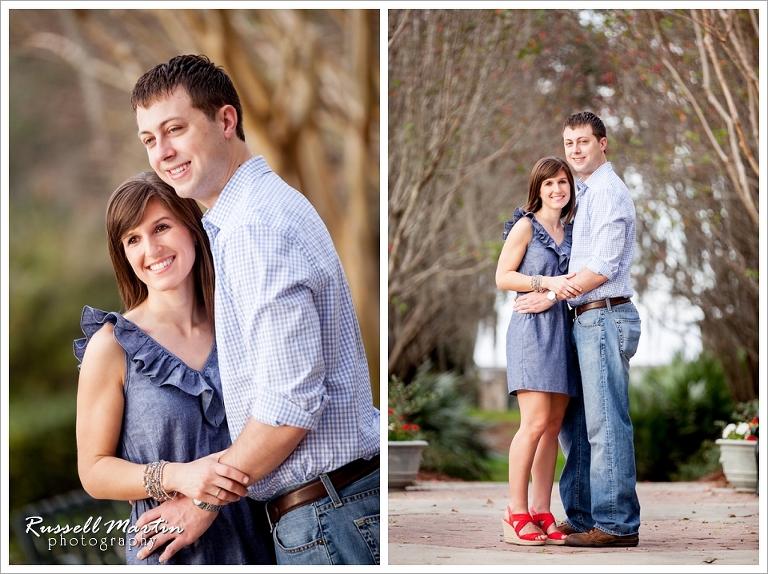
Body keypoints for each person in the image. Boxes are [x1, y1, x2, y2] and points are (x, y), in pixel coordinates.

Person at [126, 54, 380, 565]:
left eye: (175, 129)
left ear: (225, 120)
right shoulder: (253, 212)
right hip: (329, 510)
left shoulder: (253, 229)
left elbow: (289, 405)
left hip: (328, 519)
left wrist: (202, 499)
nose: (163, 152)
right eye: (150, 139)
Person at [74, 172, 275, 565]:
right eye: (133, 239)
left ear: (191, 226)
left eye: (161, 227)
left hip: (267, 541)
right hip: (172, 552)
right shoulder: (112, 347)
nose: (151, 249)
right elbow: (93, 471)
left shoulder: (238, 323)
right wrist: (175, 476)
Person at [515, 111, 642, 548]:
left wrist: (550, 295)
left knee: (606, 423)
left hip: (605, 313)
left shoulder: (607, 192)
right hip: (583, 318)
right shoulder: (582, 196)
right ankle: (584, 513)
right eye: (569, 142)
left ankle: (617, 524)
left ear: (602, 143)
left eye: (583, 141)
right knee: (577, 425)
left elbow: (603, 266)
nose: (575, 149)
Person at [496, 157, 581, 546]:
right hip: (530, 332)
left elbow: (575, 283)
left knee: (552, 427)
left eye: (562, 182)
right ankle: (515, 513)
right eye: (549, 184)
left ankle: (542, 510)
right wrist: (543, 282)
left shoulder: (572, 229)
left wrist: (550, 294)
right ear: (538, 188)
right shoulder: (526, 226)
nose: (557, 189)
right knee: (533, 423)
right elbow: (503, 277)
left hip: (564, 331)